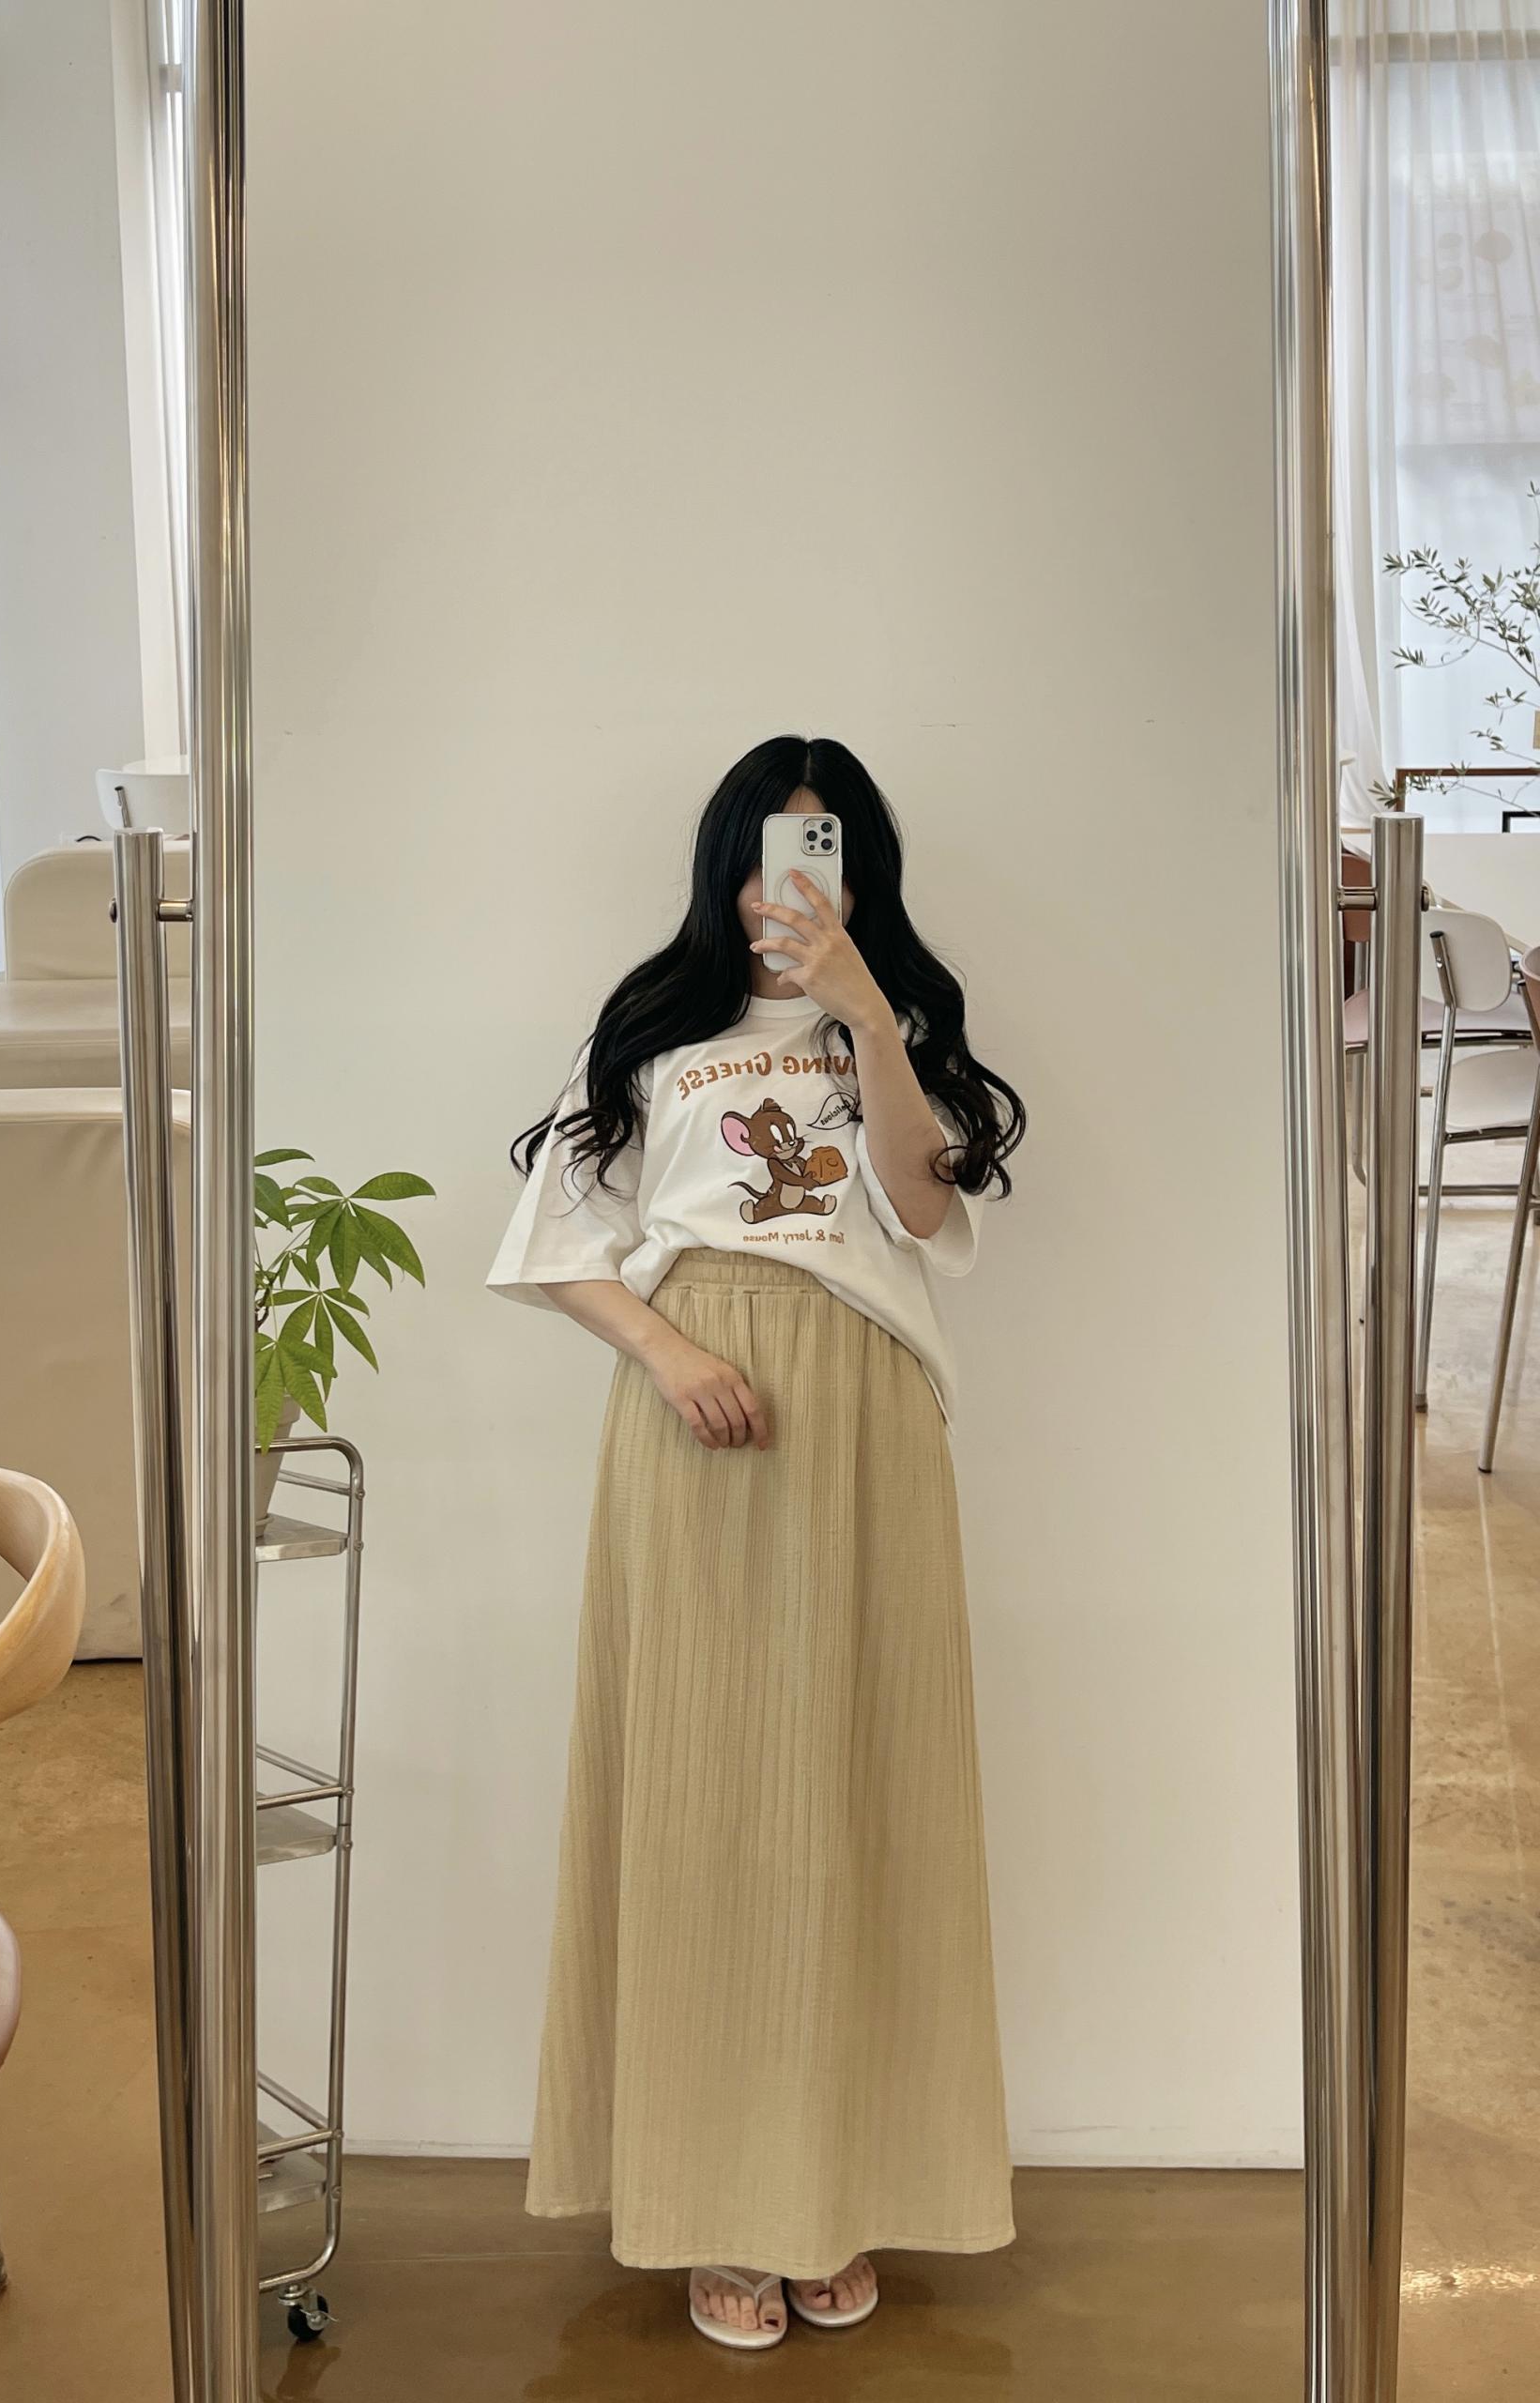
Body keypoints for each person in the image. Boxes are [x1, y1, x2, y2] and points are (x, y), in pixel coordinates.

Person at [487, 733, 1026, 2350]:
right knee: (705, 1801)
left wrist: (867, 1012)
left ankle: (835, 2194)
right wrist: (669, 1352)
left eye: (825, 846)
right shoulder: (659, 1028)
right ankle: (716, 2204)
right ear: (726, 862)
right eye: (772, 847)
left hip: (868, 1409)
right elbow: (555, 1240)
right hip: (697, 1414)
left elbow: (922, 1212)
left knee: (863, 1792)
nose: (789, 879)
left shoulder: (902, 1022)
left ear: (861, 870)